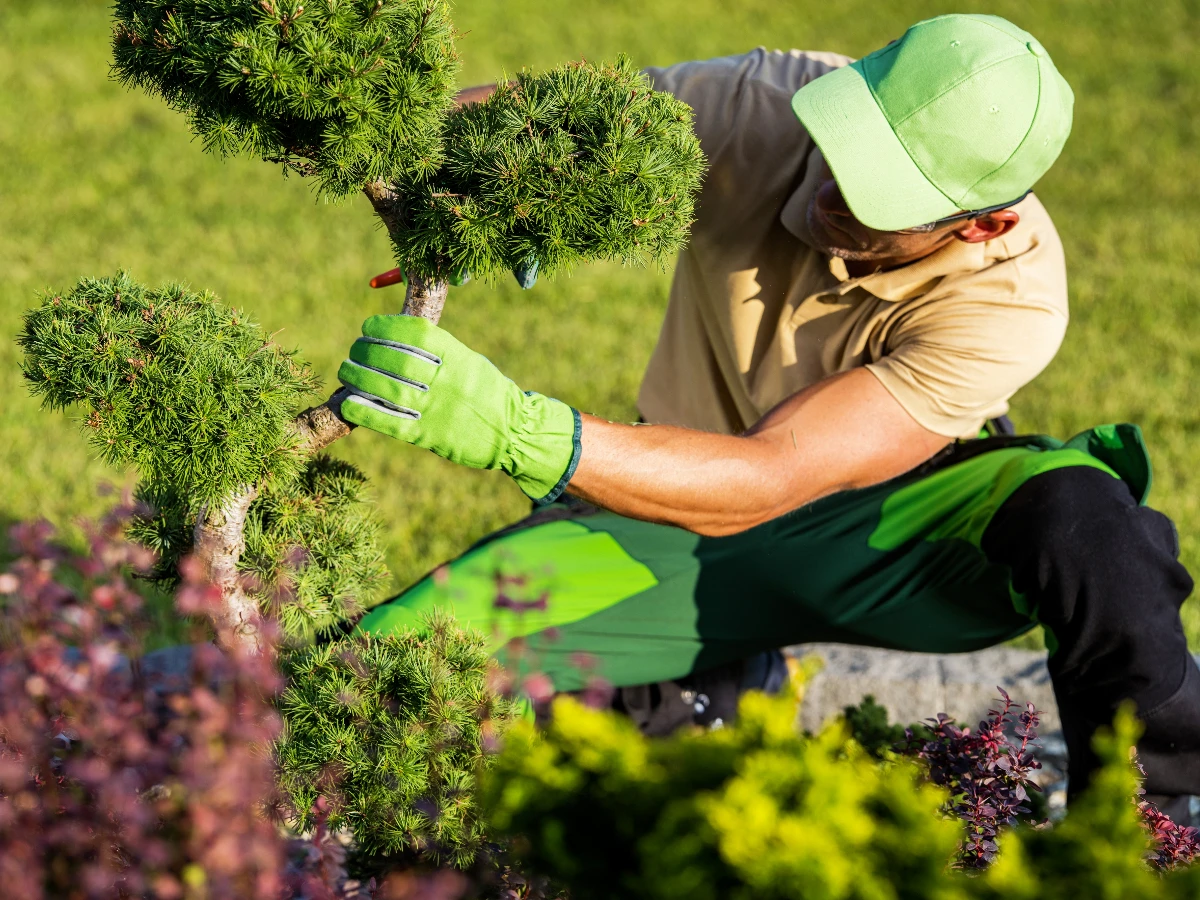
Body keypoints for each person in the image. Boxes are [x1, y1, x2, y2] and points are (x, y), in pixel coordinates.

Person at [337, 14, 1200, 815]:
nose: (832, 192)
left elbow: (775, 473)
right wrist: (480, 182)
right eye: (843, 148)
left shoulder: (1013, 302)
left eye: (880, 199)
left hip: (900, 544)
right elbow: (531, 118)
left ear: (982, 226)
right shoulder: (768, 100)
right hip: (670, 513)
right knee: (382, 668)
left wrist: (515, 429)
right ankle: (710, 691)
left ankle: (1158, 826)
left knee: (1084, 518)